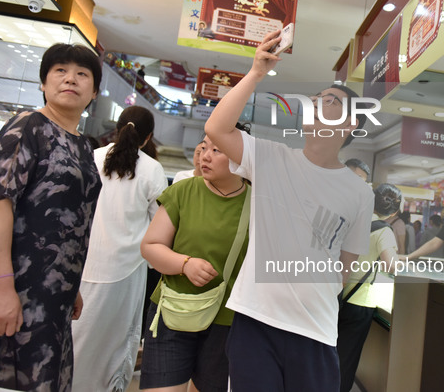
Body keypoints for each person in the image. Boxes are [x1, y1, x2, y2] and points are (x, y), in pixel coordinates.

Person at [204, 30, 374, 392]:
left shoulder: (359, 191)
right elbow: (216, 129)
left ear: (349, 124)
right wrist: (255, 73)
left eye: (329, 101)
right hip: (256, 319)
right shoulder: (271, 157)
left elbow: (344, 265)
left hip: (316, 329)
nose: (316, 103)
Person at [0, 43, 102, 391]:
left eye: (82, 74)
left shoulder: (83, 145)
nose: (71, 78)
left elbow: (73, 218)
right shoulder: (29, 127)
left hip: (52, 294)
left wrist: (71, 284)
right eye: (60, 70)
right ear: (43, 82)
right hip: (13, 285)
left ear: (95, 91)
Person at [139, 125, 251, 392]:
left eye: (217, 150)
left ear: (241, 157)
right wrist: (184, 264)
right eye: (204, 147)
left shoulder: (259, 203)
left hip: (229, 323)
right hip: (174, 312)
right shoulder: (183, 191)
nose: (205, 155)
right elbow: (151, 246)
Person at [72, 106, 168, 392]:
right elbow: (158, 225)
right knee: (117, 339)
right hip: (127, 269)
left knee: (76, 332)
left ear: (116, 127)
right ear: (149, 136)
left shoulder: (92, 157)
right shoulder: (152, 169)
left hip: (83, 263)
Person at [337, 183, 402, 392]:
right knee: (347, 359)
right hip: (360, 301)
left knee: (331, 352)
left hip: (337, 295)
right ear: (394, 211)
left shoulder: (354, 221)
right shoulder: (384, 230)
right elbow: (392, 264)